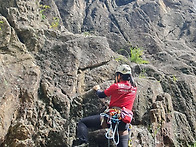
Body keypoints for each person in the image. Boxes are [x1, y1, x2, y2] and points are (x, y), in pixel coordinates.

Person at [75, 64, 137, 147]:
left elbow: (101, 95)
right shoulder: (134, 88)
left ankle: (83, 143)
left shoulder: (116, 86)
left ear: (119, 76)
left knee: (82, 122)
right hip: (124, 120)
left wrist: (97, 89)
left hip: (111, 118)